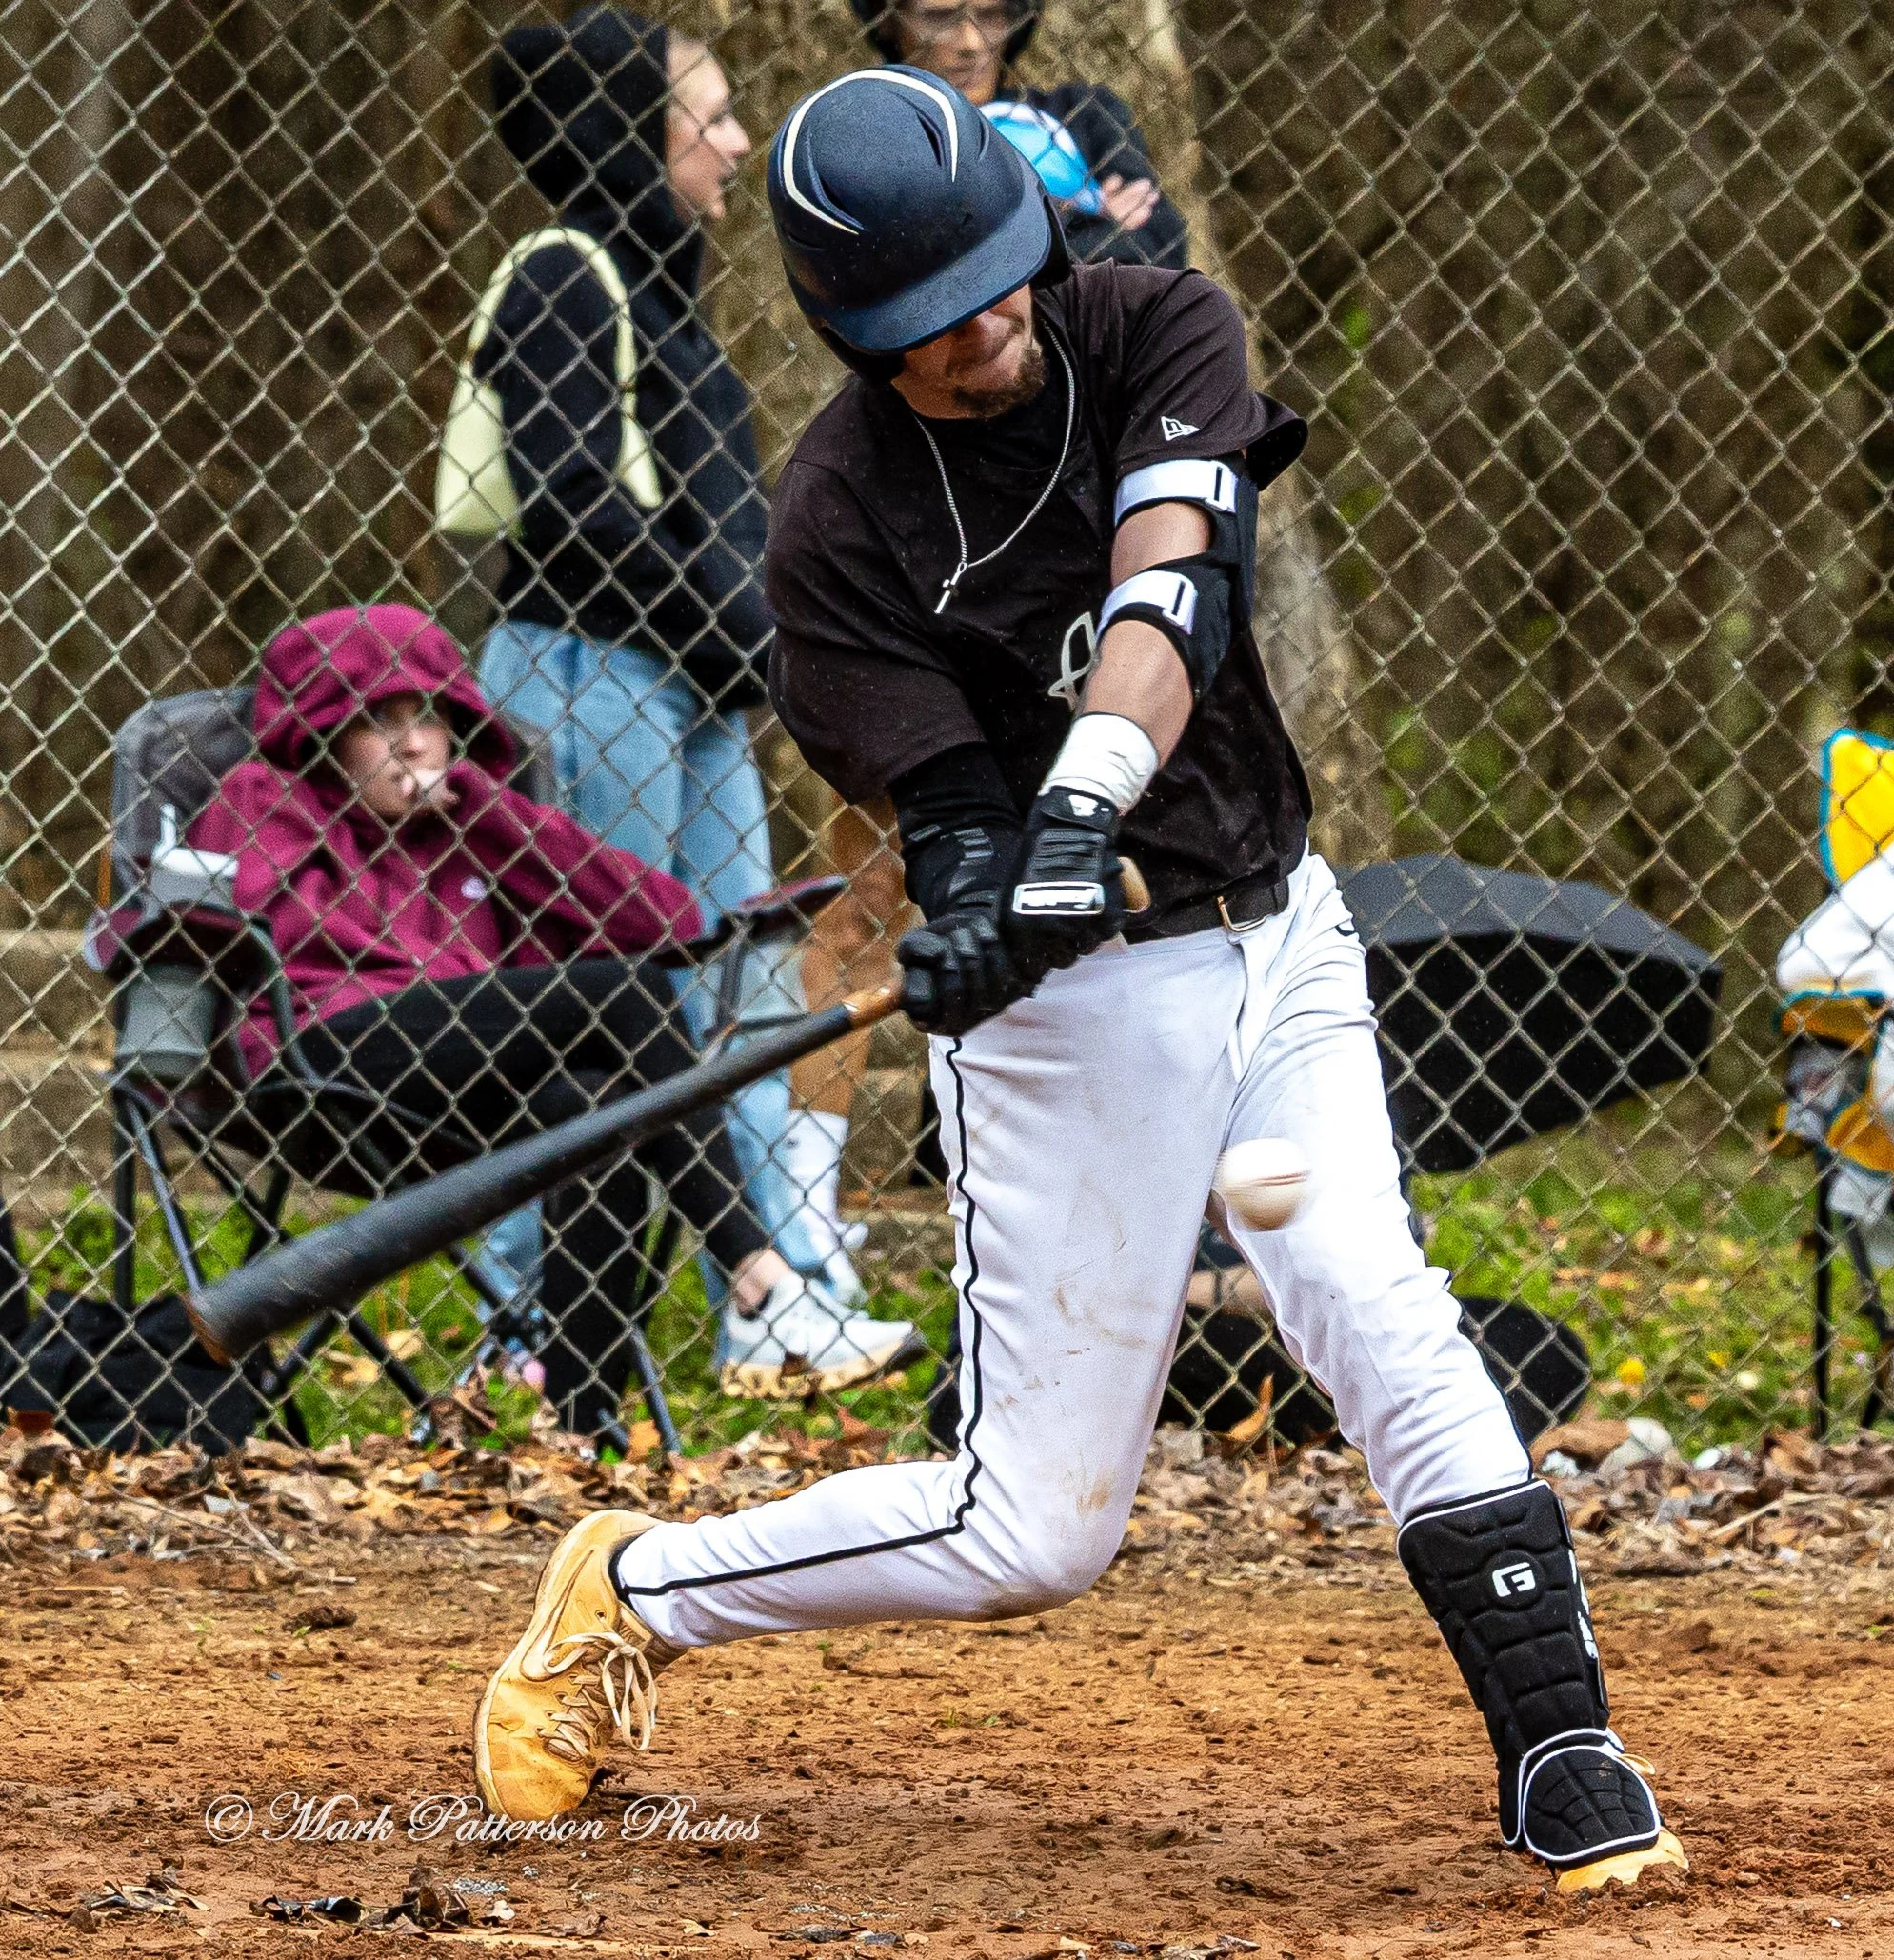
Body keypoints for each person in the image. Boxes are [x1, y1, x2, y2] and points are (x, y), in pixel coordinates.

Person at [469, 72, 1686, 1895]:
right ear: (849, 332)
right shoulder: (834, 522)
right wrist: (974, 908)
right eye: (932, 318)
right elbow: (940, 811)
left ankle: (1559, 1744)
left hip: (1275, 931)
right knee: (1030, 1528)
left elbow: (1172, 592)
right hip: (1076, 1023)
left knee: (1372, 1296)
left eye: (998, 274)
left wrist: (1075, 804)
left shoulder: (1144, 322)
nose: (987, 326)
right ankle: (627, 1584)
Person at [189, 604, 916, 1425]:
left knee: (596, 1103)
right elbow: (250, 930)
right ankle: (761, 1279)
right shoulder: (267, 798)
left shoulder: (473, 821)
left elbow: (665, 921)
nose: (413, 743)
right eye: (373, 720)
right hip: (325, 1056)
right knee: (626, 994)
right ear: (322, 734)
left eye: (427, 715)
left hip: (462, 1075)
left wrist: (481, 812)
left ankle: (580, 1428)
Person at [471, 7, 878, 1380]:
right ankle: (522, 1330)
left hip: (693, 692)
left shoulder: (666, 293)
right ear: (625, 136)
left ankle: (775, 1303)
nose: (732, 142)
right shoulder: (564, 274)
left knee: (744, 994)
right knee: (586, 1001)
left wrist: (749, 648)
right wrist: (746, 630)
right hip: (589, 677)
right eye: (703, 117)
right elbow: (574, 504)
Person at [850, 0, 1186, 268]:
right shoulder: (881, 138)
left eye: (990, 15)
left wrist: (1012, 245)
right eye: (939, 18)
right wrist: (1091, 220)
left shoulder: (1083, 111)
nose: (971, 42)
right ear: (888, 21)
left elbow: (1160, 242)